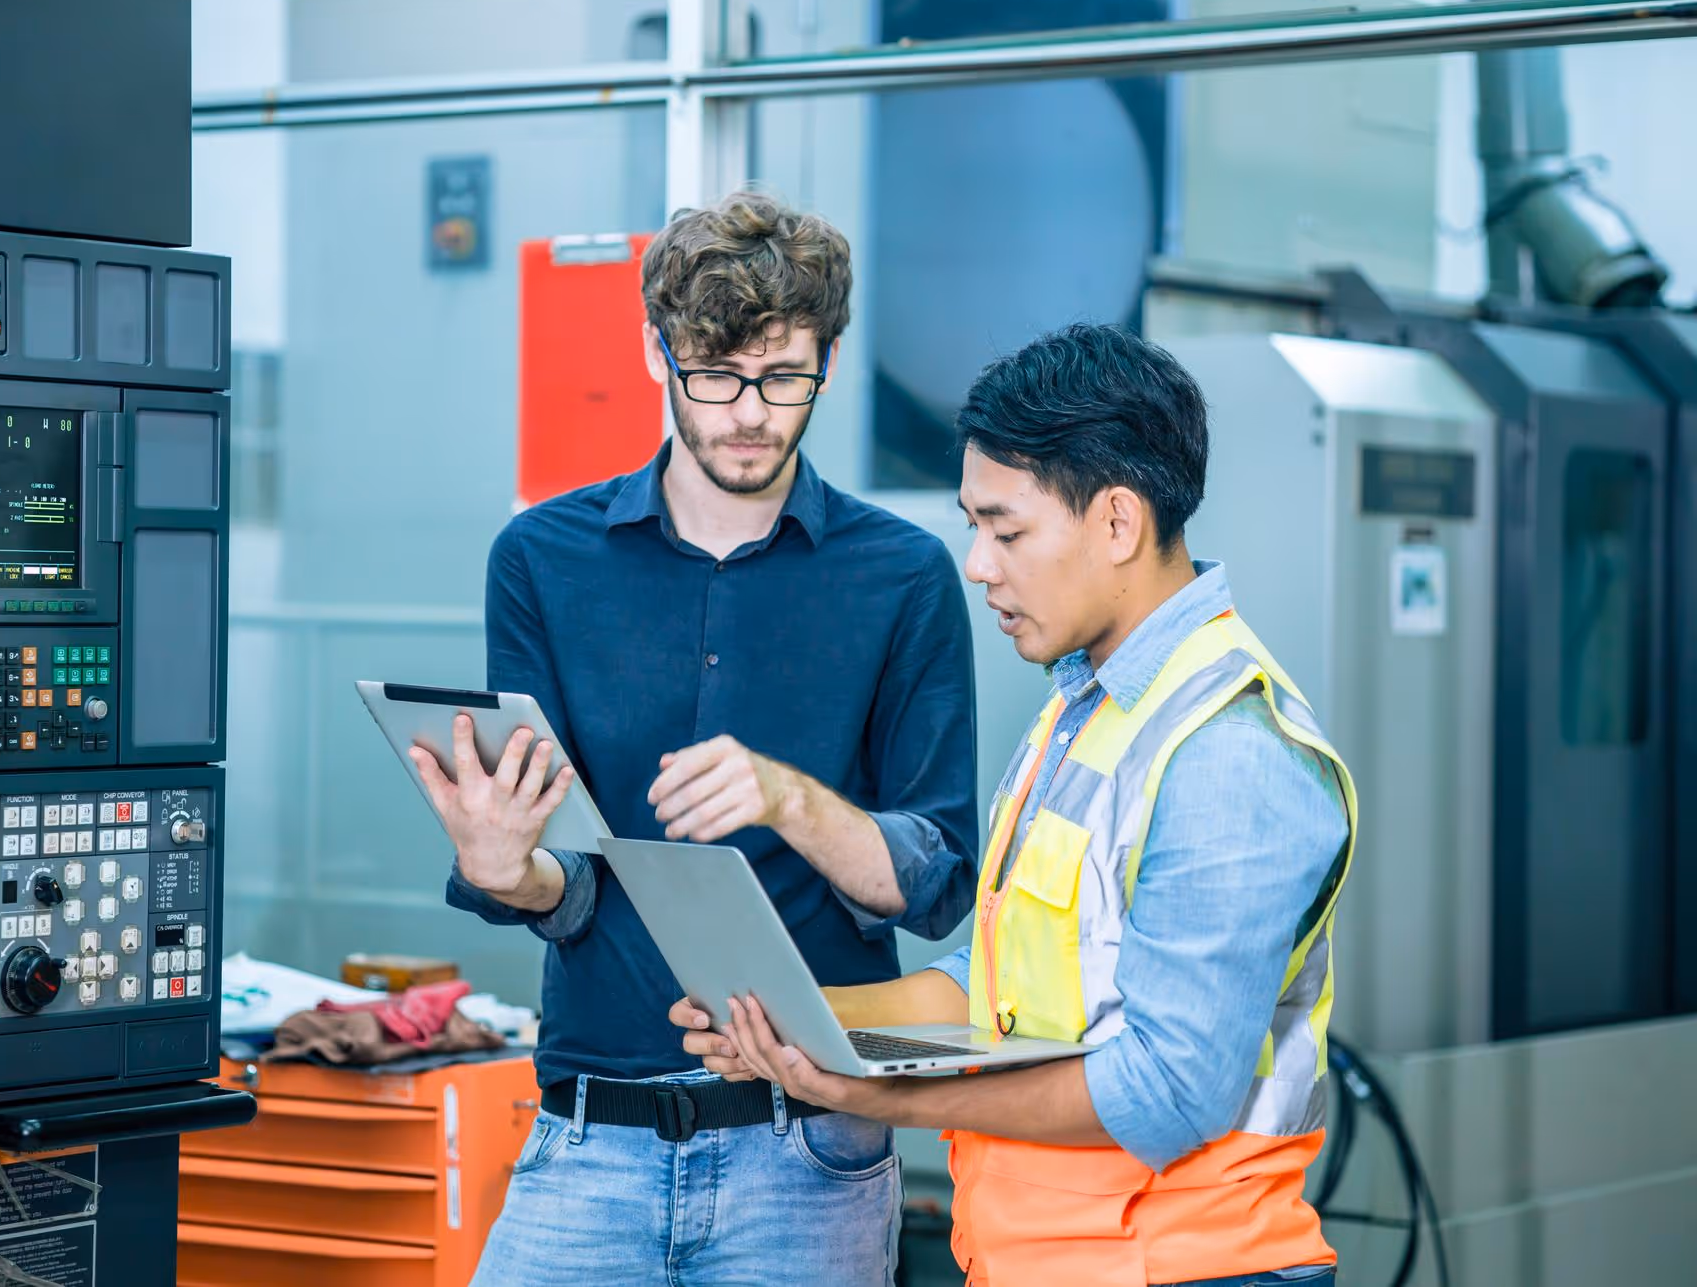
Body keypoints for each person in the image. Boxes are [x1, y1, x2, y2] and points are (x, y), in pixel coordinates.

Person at [675, 323, 1357, 1287]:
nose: (977, 563)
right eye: (973, 525)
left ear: (1117, 523)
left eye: (1006, 528)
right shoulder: (1084, 712)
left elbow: (1167, 1093)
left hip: (1186, 1269)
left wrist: (876, 1093)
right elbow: (991, 991)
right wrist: (803, 1024)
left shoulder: (1227, 752)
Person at [412, 189, 979, 1286]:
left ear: (828, 357)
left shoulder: (902, 577)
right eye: (712, 377)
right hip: (588, 1138)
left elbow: (939, 881)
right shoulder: (540, 559)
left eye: (783, 378)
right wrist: (501, 868)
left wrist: (790, 797)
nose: (747, 414)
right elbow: (564, 880)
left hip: (806, 1149)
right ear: (654, 353)